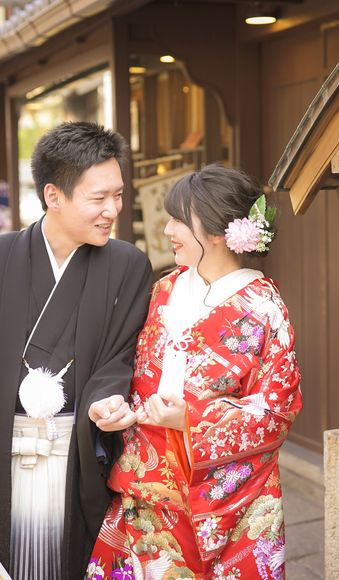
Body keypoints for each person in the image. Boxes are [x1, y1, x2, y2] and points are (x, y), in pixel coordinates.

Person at [89, 164, 302, 579]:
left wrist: (189, 418)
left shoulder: (264, 308)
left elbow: (277, 411)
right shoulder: (164, 289)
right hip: (144, 484)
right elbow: (131, 367)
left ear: (219, 231)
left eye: (179, 220)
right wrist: (119, 404)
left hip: (223, 495)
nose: (168, 229)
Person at [0, 121, 153, 580]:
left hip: (77, 454)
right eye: (98, 197)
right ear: (54, 195)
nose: (113, 210)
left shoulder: (128, 265)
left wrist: (107, 399)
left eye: (118, 195)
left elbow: (120, 355)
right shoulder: (3, 257)